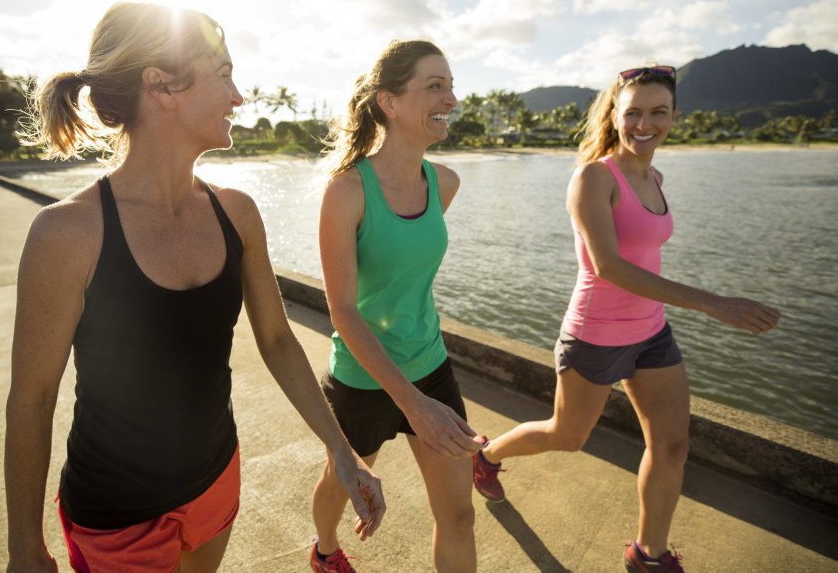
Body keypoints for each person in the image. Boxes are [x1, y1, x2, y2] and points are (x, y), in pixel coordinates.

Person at [4, 1, 385, 573]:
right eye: (225, 74)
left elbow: (278, 341)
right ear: (162, 87)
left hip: (216, 480)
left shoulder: (237, 213)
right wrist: (25, 549)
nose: (238, 97)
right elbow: (31, 401)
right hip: (117, 514)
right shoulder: (68, 233)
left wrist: (340, 448)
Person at [472, 64, 782, 573]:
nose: (645, 123)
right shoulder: (594, 178)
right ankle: (486, 457)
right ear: (614, 117)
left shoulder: (655, 176)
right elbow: (609, 267)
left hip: (652, 333)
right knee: (566, 436)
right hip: (595, 335)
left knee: (672, 444)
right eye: (633, 112)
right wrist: (713, 302)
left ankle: (649, 555)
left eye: (658, 112)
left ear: (674, 117)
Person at [309, 40, 485, 573]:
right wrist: (410, 403)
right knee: (340, 487)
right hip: (363, 380)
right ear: (389, 101)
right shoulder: (346, 192)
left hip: (430, 368)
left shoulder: (445, 183)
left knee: (459, 516)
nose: (451, 98)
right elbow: (343, 310)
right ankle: (324, 551)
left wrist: (422, 397)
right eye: (435, 86)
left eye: (451, 86)